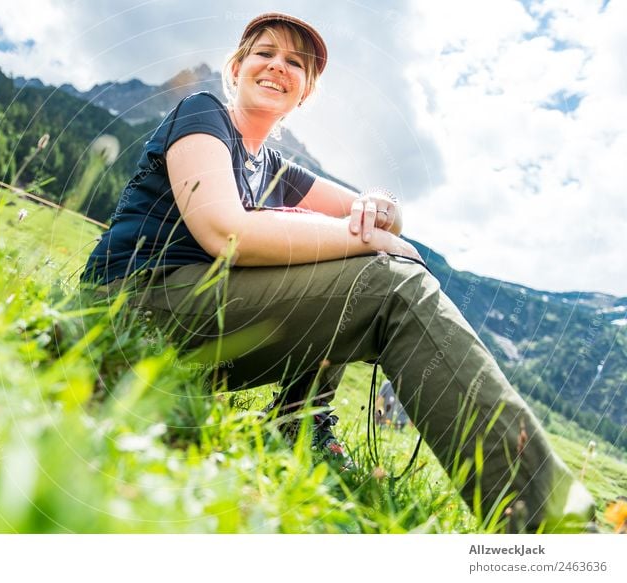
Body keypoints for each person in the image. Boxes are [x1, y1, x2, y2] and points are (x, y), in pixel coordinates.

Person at [82, 12, 595, 532]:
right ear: (235, 69)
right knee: (390, 281)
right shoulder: (203, 114)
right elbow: (224, 232)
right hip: (128, 311)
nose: (278, 66)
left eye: (295, 64)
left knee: (361, 259)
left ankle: (299, 422)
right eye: (264, 53)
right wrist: (376, 240)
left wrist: (381, 207)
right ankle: (554, 527)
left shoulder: (274, 168)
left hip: (192, 325)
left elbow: (376, 211)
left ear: (304, 92)